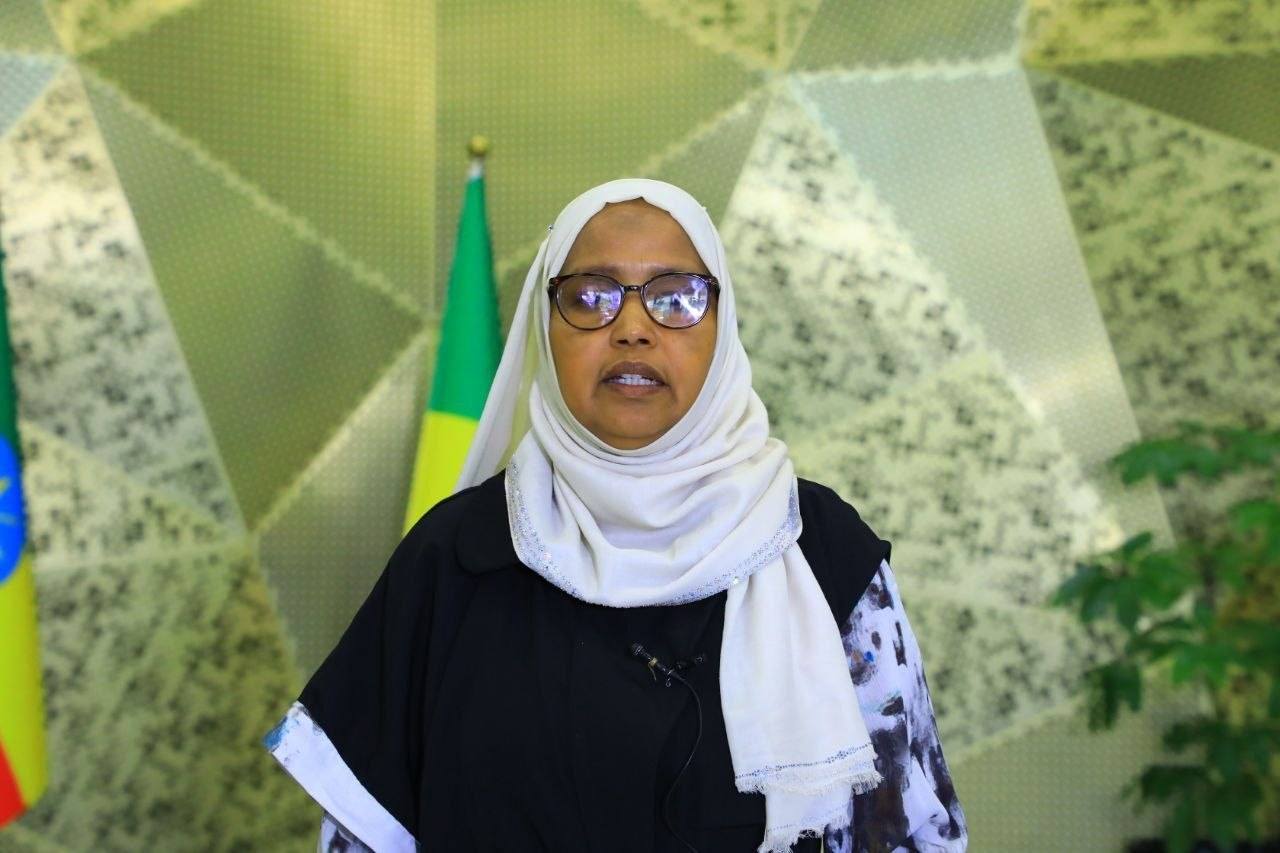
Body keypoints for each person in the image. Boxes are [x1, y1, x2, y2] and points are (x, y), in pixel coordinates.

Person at [263, 179, 968, 853]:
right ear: (545, 327)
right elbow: (363, 837)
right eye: (590, 296)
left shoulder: (815, 546)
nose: (633, 328)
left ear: (723, 327)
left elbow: (915, 830)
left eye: (676, 297)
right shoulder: (453, 557)